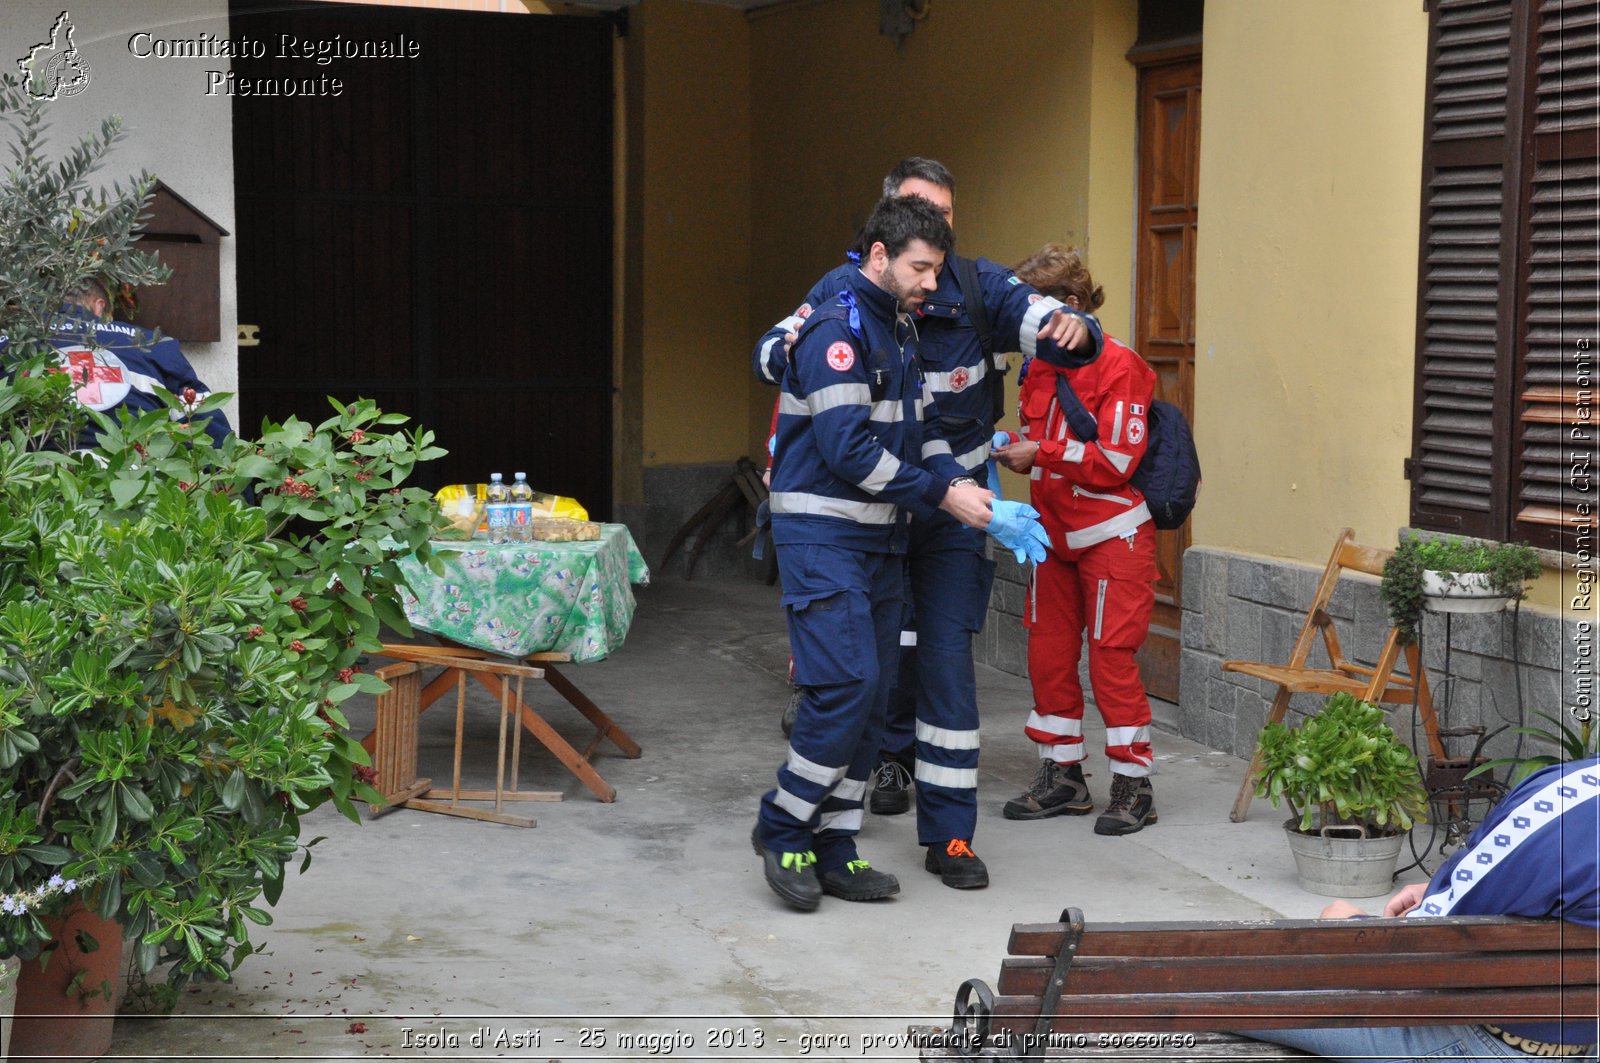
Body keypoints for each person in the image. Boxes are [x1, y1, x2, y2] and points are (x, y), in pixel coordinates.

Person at [753, 159, 1102, 889]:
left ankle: (886, 840)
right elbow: (844, 439)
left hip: (904, 517)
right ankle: (789, 826)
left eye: (943, 225)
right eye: (920, 229)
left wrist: (1077, 329)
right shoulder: (841, 312)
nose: (934, 255)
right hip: (845, 526)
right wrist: (950, 495)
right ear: (882, 238)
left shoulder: (931, 305)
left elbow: (926, 424)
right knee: (850, 684)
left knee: (912, 678)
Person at [1250, 753, 1599, 1061]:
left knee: (1232, 992)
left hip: (1496, 1044)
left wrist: (1351, 927)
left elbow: (1428, 952)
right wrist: (1447, 885)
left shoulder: (1569, 798)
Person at [993, 245, 1159, 835]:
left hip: (1113, 535)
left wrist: (1042, 452)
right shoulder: (1037, 366)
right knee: (1048, 655)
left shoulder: (1122, 364)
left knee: (1111, 660)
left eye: (1030, 310)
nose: (1023, 326)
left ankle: (1133, 786)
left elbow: (1115, 459)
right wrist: (1015, 449)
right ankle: (1062, 777)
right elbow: (1043, 441)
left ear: (1069, 307)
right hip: (1051, 536)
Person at [44, 277, 231, 448]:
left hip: (37, 475)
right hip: (131, 473)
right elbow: (204, 423)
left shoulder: (19, 342)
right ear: (99, 306)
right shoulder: (153, 343)